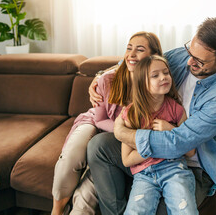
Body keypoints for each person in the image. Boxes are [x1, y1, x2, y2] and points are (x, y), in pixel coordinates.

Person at [87, 17, 216, 215]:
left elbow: (180, 142)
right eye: (190, 52)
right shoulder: (181, 56)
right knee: (99, 146)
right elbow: (139, 64)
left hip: (191, 164)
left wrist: (122, 132)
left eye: (199, 61)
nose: (189, 61)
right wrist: (101, 75)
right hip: (151, 154)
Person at [51, 31, 163, 215]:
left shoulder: (157, 82)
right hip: (96, 122)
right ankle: (56, 210)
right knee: (72, 155)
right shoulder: (109, 79)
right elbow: (100, 119)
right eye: (129, 48)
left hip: (115, 137)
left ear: (153, 56)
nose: (131, 54)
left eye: (140, 50)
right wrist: (126, 132)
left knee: (92, 179)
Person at [121, 55, 197, 214]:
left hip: (175, 169)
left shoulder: (176, 109)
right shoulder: (131, 114)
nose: (163, 77)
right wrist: (156, 143)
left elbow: (190, 151)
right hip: (144, 175)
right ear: (142, 83)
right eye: (155, 75)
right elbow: (127, 159)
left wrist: (171, 130)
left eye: (166, 73)